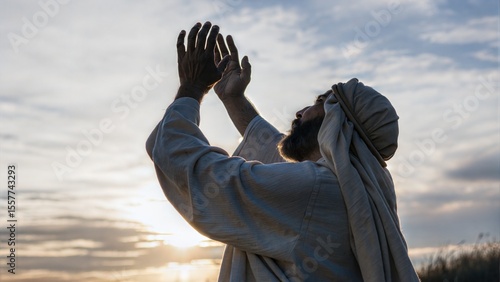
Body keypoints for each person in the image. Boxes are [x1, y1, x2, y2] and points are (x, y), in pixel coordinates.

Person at [146, 21, 420, 281]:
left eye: (320, 102)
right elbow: (271, 146)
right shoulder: (353, 193)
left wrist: (191, 89)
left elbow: (201, 174)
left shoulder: (318, 190)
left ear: (339, 125)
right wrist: (233, 99)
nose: (301, 111)